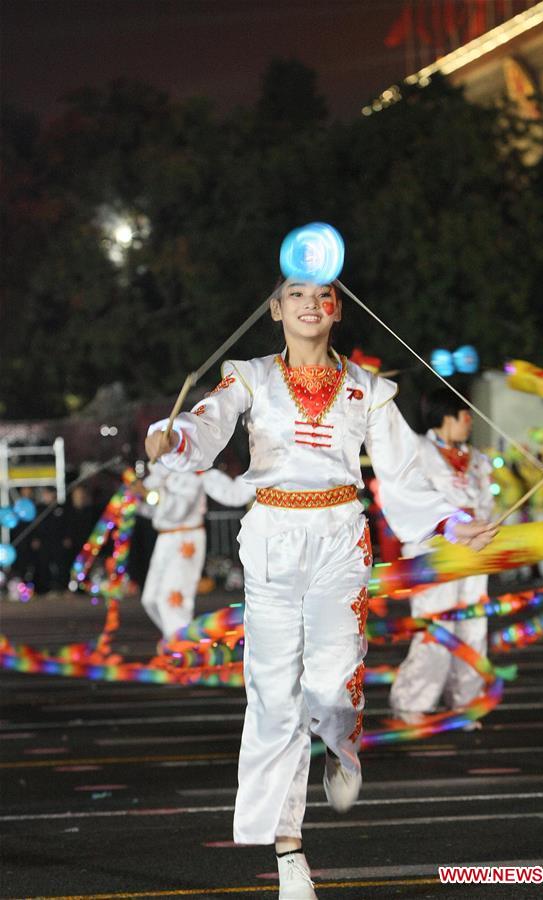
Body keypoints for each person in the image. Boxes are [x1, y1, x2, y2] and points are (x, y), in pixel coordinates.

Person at [145, 278, 496, 900]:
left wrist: (454, 521)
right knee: (275, 699)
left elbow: (406, 471)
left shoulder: (367, 387)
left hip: (339, 537)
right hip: (273, 538)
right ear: (276, 309)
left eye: (324, 296)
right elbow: (205, 423)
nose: (312, 305)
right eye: (297, 295)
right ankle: (290, 856)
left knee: (333, 686)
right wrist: (172, 438)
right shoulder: (249, 376)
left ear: (337, 310)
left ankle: (342, 748)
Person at [390, 389, 494, 725]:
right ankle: (411, 703)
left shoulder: (478, 459)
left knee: (473, 627)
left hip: (473, 554)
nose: (470, 423)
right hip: (434, 553)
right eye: (466, 415)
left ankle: (466, 703)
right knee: (437, 626)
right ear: (446, 415)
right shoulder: (417, 450)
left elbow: (486, 504)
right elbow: (406, 498)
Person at [135, 462, 255, 640]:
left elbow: (177, 510)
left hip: (186, 540)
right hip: (165, 538)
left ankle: (181, 646)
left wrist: (149, 495)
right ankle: (176, 640)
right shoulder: (161, 473)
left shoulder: (192, 476)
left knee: (173, 599)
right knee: (151, 598)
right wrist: (136, 497)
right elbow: (153, 511)